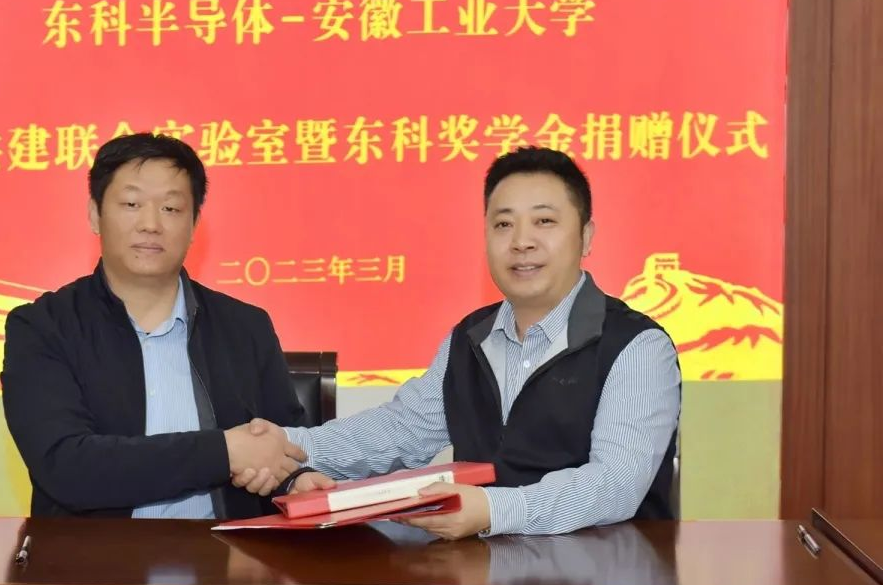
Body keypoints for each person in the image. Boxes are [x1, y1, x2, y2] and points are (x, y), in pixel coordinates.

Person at [235, 146, 681, 539]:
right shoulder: (470, 339)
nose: (521, 242)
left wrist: (492, 510)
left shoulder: (636, 346)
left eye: (544, 221)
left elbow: (615, 485)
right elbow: (401, 432)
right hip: (486, 581)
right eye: (503, 224)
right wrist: (285, 444)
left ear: (586, 236)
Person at [2, 133, 307, 518]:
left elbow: (287, 446)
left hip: (228, 552)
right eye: (131, 204)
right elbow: (66, 466)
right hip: (95, 556)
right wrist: (224, 453)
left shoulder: (246, 327)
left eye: (171, 208)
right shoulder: (42, 327)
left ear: (194, 224)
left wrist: (296, 479)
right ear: (95, 214)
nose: (151, 224)